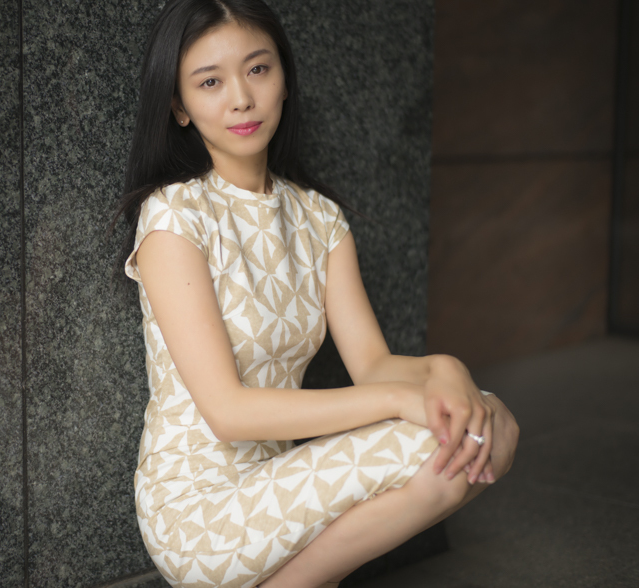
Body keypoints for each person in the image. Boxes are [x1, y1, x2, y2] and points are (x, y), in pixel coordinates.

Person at [114, 1, 519, 586]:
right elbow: (228, 412)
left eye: (258, 69)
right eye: (210, 82)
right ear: (179, 106)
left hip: (280, 485)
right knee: (442, 440)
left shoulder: (319, 218)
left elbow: (372, 365)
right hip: (199, 510)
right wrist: (402, 402)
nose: (241, 98)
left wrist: (444, 369)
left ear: (284, 78)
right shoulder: (175, 216)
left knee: (490, 424)